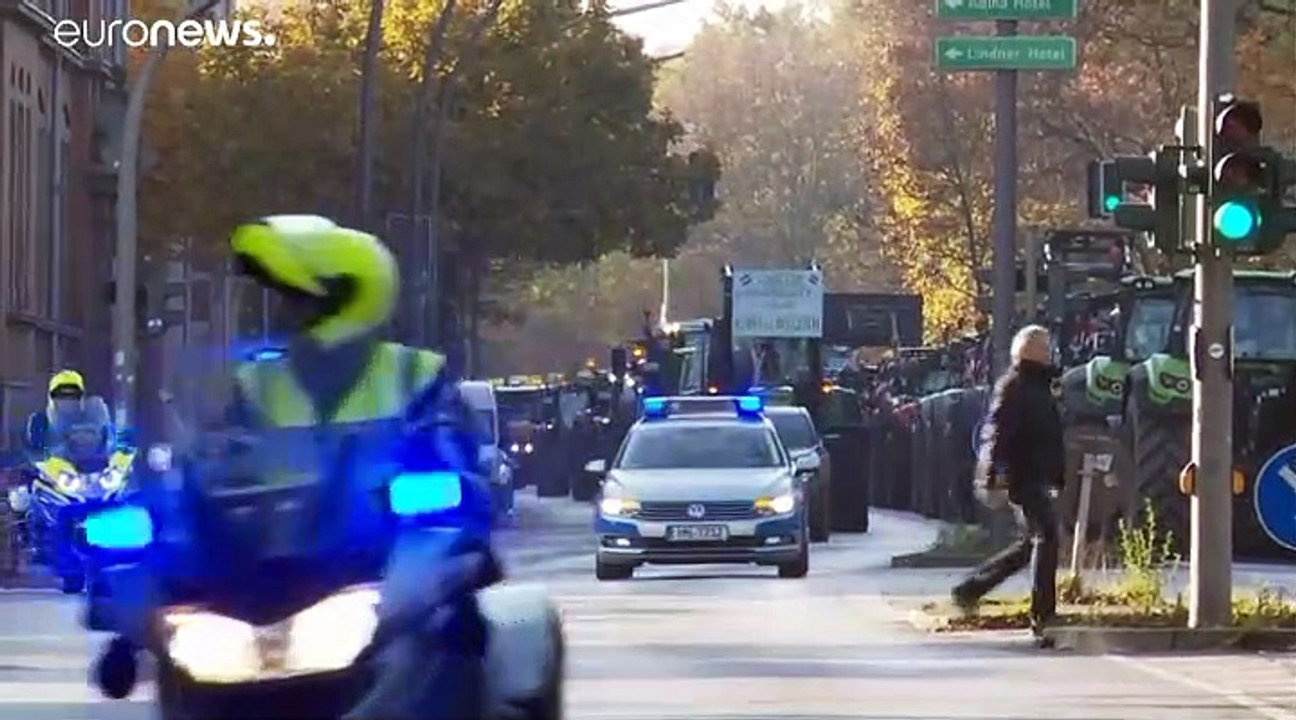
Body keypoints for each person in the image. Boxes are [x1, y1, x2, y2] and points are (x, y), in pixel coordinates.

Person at [209, 215, 494, 718]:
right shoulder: (257, 382)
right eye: (287, 299)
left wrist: (443, 486)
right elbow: (215, 457)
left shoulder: (413, 373)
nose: (289, 312)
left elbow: (451, 452)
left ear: (347, 299)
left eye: (302, 299)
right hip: (274, 564)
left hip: (382, 561)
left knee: (452, 626)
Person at [952, 325, 1064, 647]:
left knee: (1031, 543)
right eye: (1046, 347)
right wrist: (997, 475)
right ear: (1032, 352)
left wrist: (1055, 474)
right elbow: (998, 434)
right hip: (1021, 475)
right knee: (1046, 537)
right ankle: (1043, 616)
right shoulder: (1016, 386)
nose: (1051, 352)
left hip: (1032, 474)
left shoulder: (1037, 385)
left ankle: (970, 589)